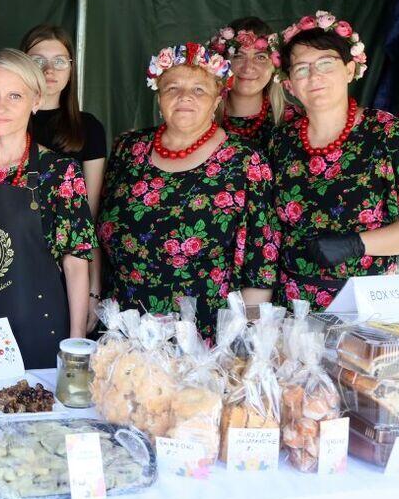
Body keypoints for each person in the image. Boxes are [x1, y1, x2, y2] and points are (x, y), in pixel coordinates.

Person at [97, 41, 278, 336]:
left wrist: (242, 338)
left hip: (202, 335)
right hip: (122, 324)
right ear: (159, 98)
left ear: (217, 100)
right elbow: (97, 229)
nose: (185, 97)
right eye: (173, 88)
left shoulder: (245, 160)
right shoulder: (128, 148)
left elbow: (262, 263)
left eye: (199, 90)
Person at [270, 10, 399, 308]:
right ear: (289, 85)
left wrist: (356, 244)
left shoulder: (394, 134)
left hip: (368, 304)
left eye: (326, 63)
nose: (315, 76)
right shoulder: (280, 142)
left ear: (350, 70)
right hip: (291, 306)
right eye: (301, 69)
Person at [0, 49, 95, 368]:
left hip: (38, 327)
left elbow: (76, 261)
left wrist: (74, 344)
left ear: (35, 101)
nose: (1, 106)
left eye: (15, 96)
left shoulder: (60, 172)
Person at [0, 25, 108, 324]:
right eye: (38, 60)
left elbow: (86, 225)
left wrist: (93, 289)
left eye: (59, 61)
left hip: (52, 280)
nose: (49, 70)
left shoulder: (80, 140)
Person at [209, 16, 286, 147]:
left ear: (274, 65)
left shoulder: (294, 122)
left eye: (260, 57)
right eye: (238, 56)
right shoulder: (201, 119)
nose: (248, 67)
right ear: (221, 63)